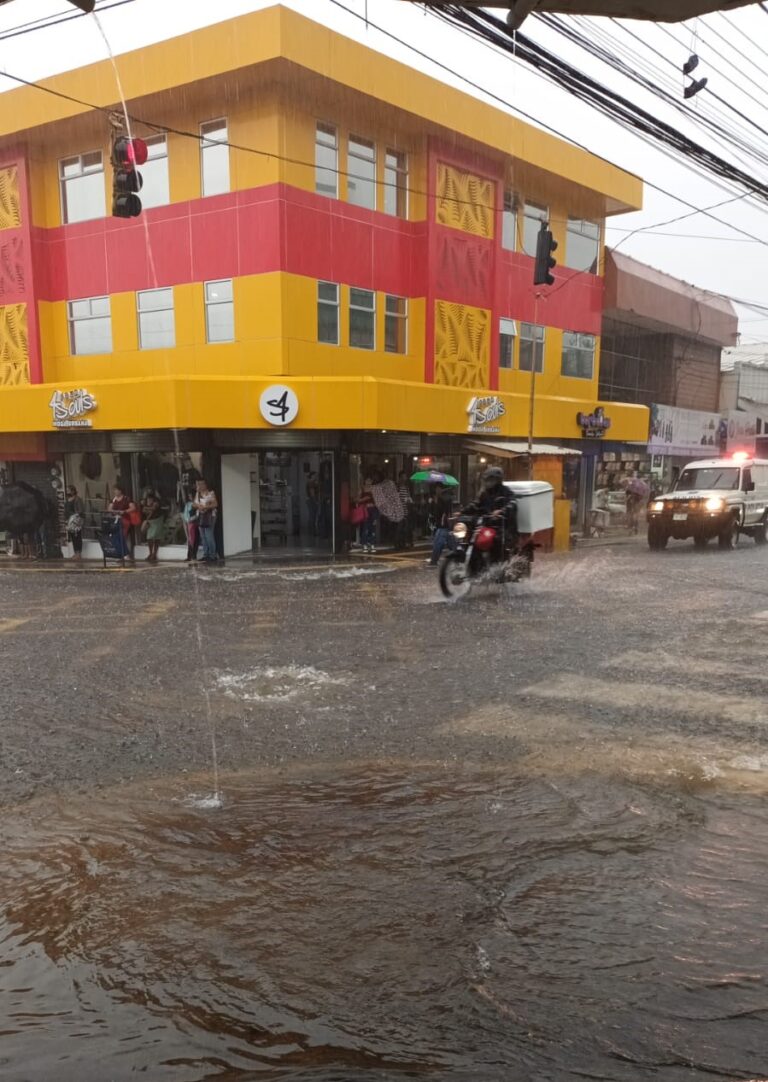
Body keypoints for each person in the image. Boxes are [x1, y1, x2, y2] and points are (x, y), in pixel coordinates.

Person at [426, 482, 455, 566]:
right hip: (443, 525)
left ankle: (433, 561)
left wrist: (444, 520)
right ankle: (459, 556)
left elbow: (446, 511)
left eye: (438, 489)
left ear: (441, 489)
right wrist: (432, 503)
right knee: (451, 543)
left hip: (443, 525)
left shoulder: (444, 498)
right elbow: (434, 512)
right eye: (436, 489)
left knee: (438, 543)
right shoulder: (438, 498)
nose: (436, 490)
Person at [108, 485, 135, 565]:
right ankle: (120, 554)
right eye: (114, 490)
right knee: (115, 537)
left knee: (122, 536)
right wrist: (114, 511)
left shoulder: (126, 499)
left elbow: (133, 508)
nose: (115, 492)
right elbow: (109, 509)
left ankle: (125, 554)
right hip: (116, 520)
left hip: (124, 520)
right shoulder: (113, 499)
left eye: (116, 490)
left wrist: (124, 511)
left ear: (120, 491)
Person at [194, 479, 219, 563]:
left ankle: (212, 555)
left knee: (209, 535)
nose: (200, 486)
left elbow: (215, 504)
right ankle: (206, 554)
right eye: (198, 484)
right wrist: (198, 506)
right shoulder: (197, 494)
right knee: (203, 536)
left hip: (210, 516)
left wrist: (205, 507)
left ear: (205, 485)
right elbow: (194, 504)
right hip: (200, 516)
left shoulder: (210, 493)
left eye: (201, 484)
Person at [142, 489, 164, 564]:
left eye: (150, 499)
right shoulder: (145, 502)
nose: (149, 500)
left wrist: (147, 508)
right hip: (150, 521)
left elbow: (154, 508)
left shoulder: (156, 501)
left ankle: (154, 554)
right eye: (148, 499)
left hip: (157, 520)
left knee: (156, 537)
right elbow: (143, 510)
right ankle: (151, 553)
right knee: (149, 537)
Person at [64, 485, 85, 562]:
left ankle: (79, 553)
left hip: (75, 520)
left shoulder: (77, 499)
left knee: (77, 536)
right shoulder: (68, 499)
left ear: (73, 491)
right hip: (69, 521)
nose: (67, 492)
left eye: (68, 490)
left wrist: (75, 516)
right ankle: (75, 552)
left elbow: (80, 510)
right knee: (73, 537)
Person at [357, 476, 377, 554]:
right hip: (365, 510)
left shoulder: (374, 489)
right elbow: (357, 500)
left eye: (370, 480)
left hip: (373, 510)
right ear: (365, 481)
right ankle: (364, 544)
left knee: (373, 527)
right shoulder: (362, 489)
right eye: (367, 480)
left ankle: (372, 544)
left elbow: (378, 500)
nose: (369, 482)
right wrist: (364, 499)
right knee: (365, 527)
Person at [396, 471, 414, 550]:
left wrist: (410, 500)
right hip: (399, 510)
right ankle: (397, 544)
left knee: (405, 528)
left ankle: (403, 543)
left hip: (405, 510)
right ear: (400, 477)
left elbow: (408, 497)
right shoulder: (397, 487)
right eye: (403, 477)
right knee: (399, 528)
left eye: (405, 477)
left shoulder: (406, 488)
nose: (405, 478)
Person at [182, 491, 200, 562]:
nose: (190, 497)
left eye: (191, 496)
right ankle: (189, 556)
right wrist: (188, 519)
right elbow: (185, 514)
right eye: (189, 496)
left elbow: (198, 514)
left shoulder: (197, 503)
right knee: (190, 540)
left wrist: (192, 518)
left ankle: (194, 555)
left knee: (195, 540)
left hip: (196, 523)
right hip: (190, 523)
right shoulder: (188, 504)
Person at [305, 471, 319, 537]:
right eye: (315, 475)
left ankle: (311, 531)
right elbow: (312, 493)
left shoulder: (311, 482)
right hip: (312, 501)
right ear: (312, 476)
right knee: (313, 516)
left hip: (310, 500)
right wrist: (316, 501)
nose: (316, 477)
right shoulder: (311, 483)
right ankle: (313, 532)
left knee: (312, 516)